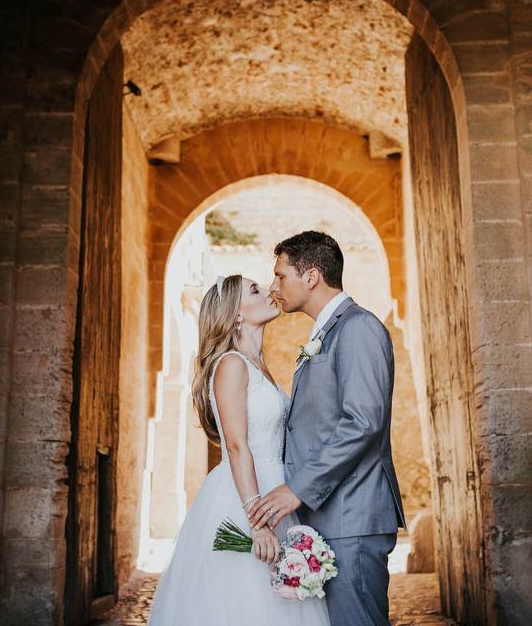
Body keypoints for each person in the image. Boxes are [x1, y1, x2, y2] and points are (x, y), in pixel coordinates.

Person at [147, 274, 330, 626]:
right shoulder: (231, 365)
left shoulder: (257, 366)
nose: (268, 290)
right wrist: (257, 523)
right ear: (236, 315)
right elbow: (235, 445)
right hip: (246, 497)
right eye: (255, 290)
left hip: (274, 491)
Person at [250, 231, 406, 626]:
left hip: (352, 516)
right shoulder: (326, 332)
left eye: (280, 275)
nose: (273, 287)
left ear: (312, 276)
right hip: (330, 518)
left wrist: (298, 488)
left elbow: (363, 422)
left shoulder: (358, 328)